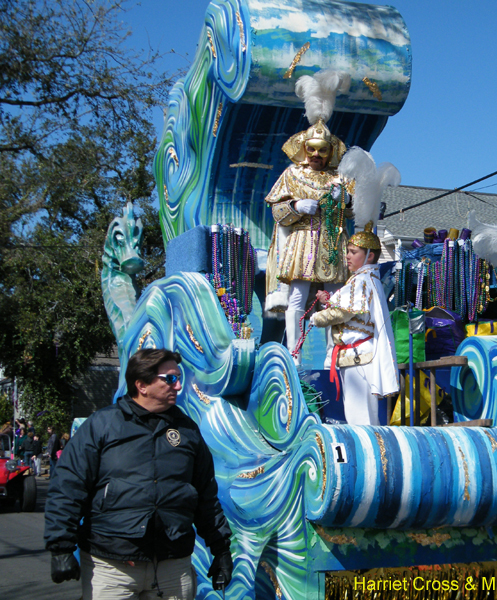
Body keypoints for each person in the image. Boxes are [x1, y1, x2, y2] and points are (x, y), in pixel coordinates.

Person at [44, 348, 233, 599]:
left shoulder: (187, 431)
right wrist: (61, 548)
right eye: (170, 379)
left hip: (172, 567)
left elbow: (205, 497)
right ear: (142, 385)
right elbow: (67, 488)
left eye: (179, 378)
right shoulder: (102, 426)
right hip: (111, 568)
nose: (177, 386)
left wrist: (221, 550)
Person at [264, 70, 353, 365]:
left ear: (330, 152)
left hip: (330, 241)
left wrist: (346, 200)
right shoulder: (292, 174)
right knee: (297, 298)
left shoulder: (339, 178)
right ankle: (293, 352)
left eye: (322, 150)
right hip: (302, 242)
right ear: (304, 148)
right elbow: (277, 210)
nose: (316, 154)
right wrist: (296, 206)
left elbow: (353, 211)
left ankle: (332, 351)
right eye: (311, 149)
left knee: (333, 298)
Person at [310, 224, 399, 425]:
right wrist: (330, 300)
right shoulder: (364, 279)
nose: (347, 256)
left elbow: (344, 312)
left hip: (357, 357)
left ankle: (370, 453)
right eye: (347, 252)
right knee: (361, 416)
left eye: (353, 252)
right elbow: (352, 307)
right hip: (355, 356)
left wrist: (317, 318)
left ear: (369, 256)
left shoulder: (362, 280)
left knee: (360, 418)